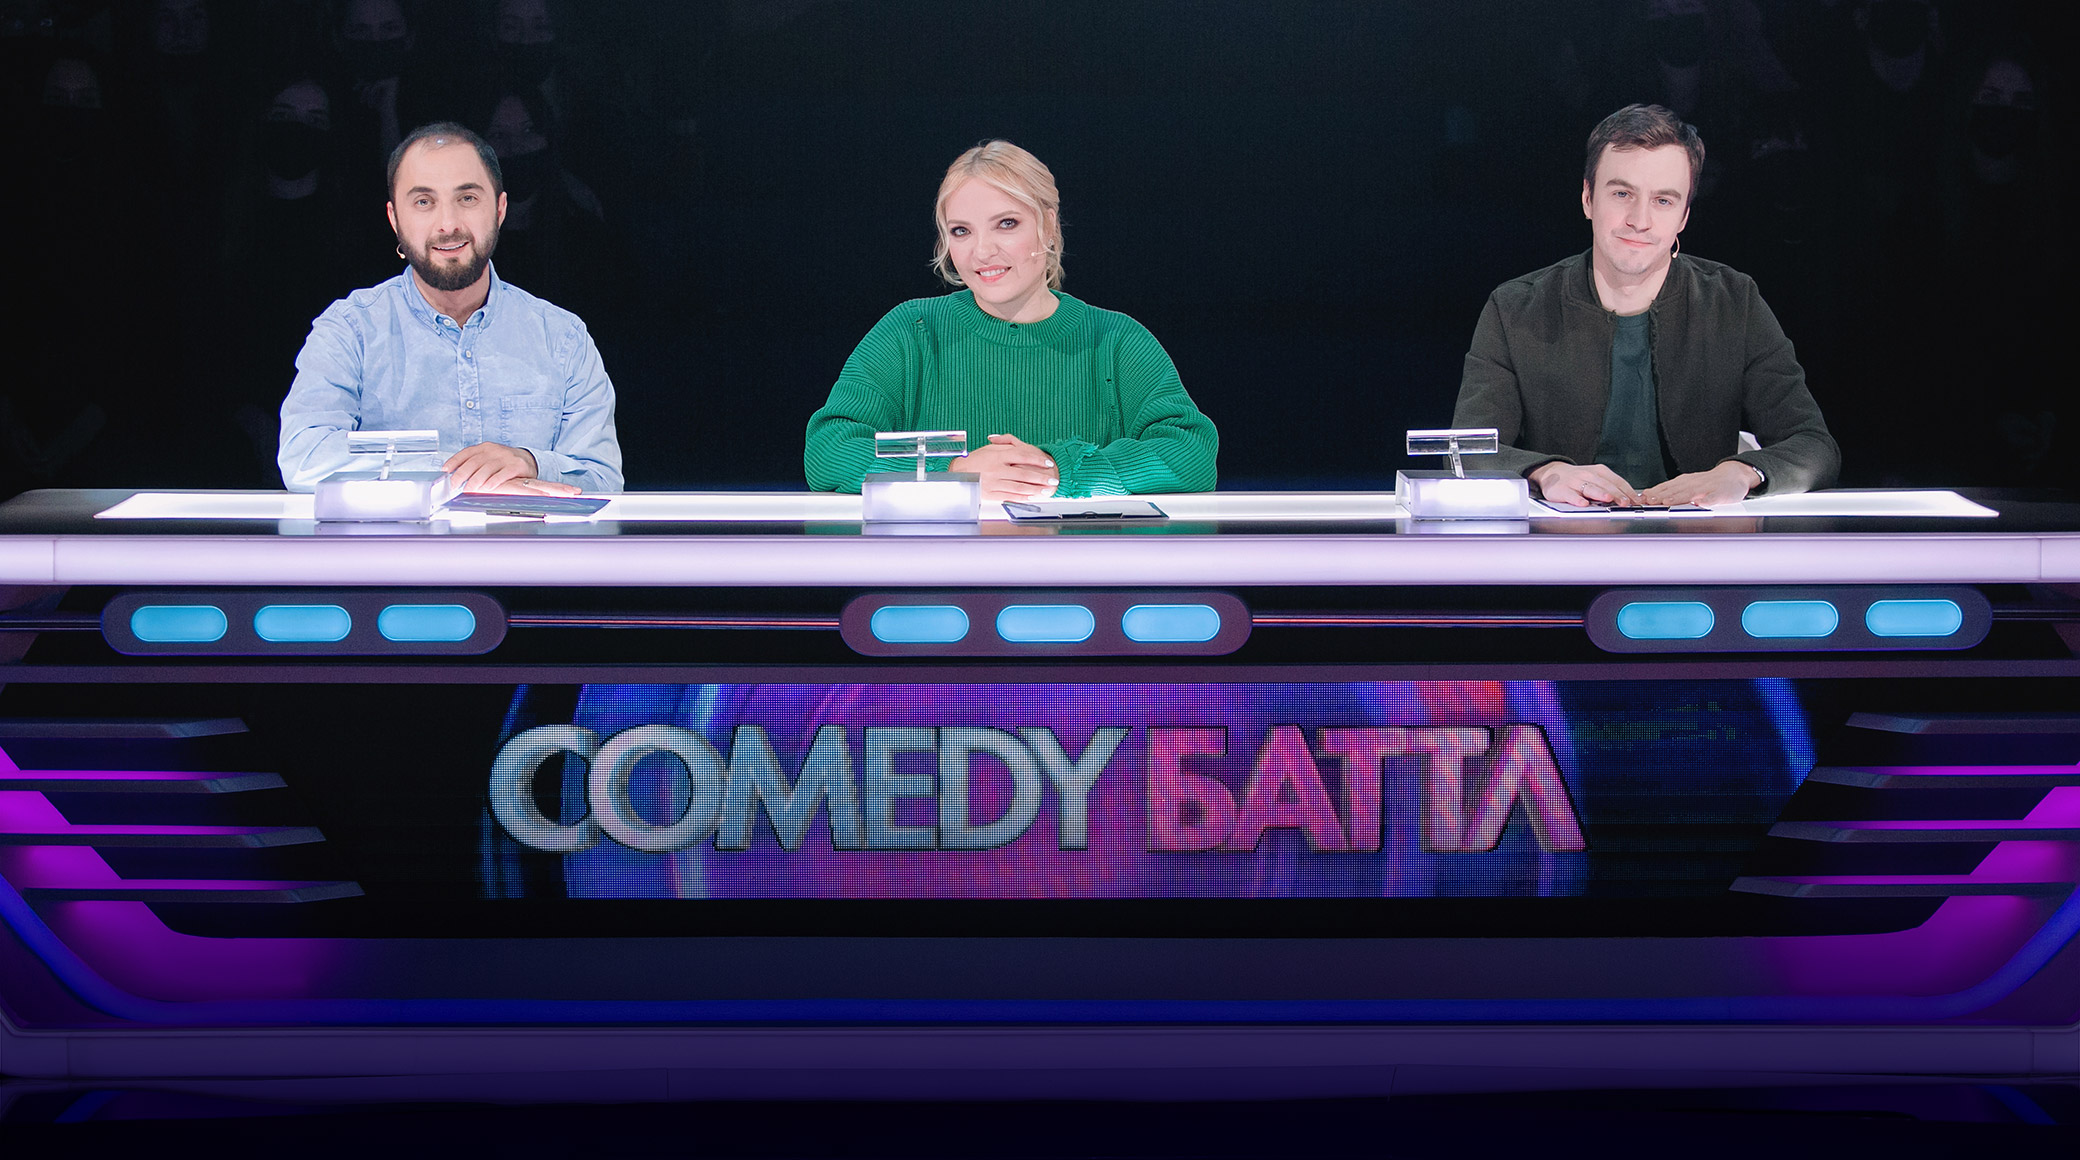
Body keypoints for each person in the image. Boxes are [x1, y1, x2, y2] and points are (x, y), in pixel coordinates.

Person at [1452, 104, 1838, 507]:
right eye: (1622, 194)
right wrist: (1546, 472)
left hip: (1701, 539)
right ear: (1587, 198)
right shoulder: (1515, 308)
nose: (1640, 220)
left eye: (1663, 201)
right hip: (1564, 539)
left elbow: (1814, 446)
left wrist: (1742, 473)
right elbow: (1466, 451)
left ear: (1684, 216)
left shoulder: (1734, 302)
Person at [803, 140, 1217, 500]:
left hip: (1081, 563)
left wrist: (1054, 471)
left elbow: (1191, 454)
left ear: (1048, 225)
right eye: (961, 231)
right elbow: (828, 451)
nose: (982, 251)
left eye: (1006, 224)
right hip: (937, 562)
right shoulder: (910, 332)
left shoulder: (1115, 340)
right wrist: (954, 475)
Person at [278, 121, 622, 494]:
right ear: (394, 219)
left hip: (523, 536)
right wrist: (459, 475)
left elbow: (603, 481)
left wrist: (531, 462)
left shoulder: (563, 338)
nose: (448, 224)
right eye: (424, 202)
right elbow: (304, 457)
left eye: (467, 198)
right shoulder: (350, 330)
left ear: (500, 209)